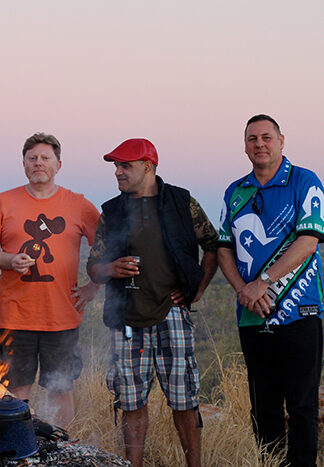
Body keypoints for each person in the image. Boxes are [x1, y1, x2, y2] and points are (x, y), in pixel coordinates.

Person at [87, 138, 217, 467]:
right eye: (115, 166)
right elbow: (93, 265)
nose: (117, 172)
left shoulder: (181, 202)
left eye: (124, 165)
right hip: (127, 320)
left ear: (147, 166)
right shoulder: (111, 212)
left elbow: (213, 244)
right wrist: (110, 268)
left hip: (172, 315)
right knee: (130, 401)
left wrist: (197, 287)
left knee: (184, 399)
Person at [217, 114, 324, 466]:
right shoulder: (235, 191)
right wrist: (243, 290)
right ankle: (271, 463)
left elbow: (308, 241)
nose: (259, 144)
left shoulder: (305, 181)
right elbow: (224, 248)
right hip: (251, 313)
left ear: (281, 140)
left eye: (266, 137)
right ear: (245, 145)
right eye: (252, 138)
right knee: (264, 405)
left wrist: (263, 282)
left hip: (299, 312)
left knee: (302, 405)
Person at [0, 132, 100, 428]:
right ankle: (18, 447)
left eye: (45, 158)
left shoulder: (78, 204)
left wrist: (92, 288)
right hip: (15, 315)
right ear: (23, 163)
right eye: (32, 158)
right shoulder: (5, 201)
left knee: (60, 389)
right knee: (15, 391)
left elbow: (107, 248)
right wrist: (9, 260)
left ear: (59, 164)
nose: (38, 163)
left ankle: (63, 447)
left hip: (62, 316)